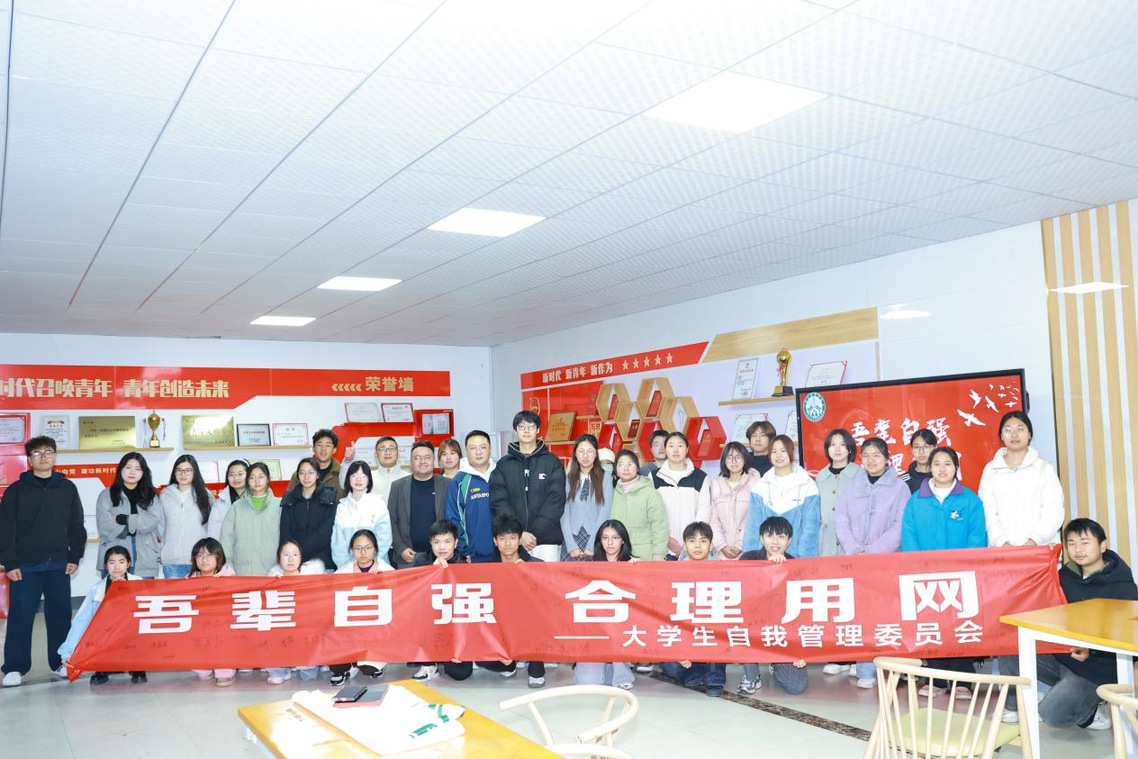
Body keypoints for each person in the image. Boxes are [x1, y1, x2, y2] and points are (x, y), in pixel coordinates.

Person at [1000, 518, 1138, 731]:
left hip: (1097, 669)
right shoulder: (1063, 577)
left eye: (1085, 542)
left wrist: (1092, 650)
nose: (1078, 549)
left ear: (1102, 545)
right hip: (1064, 655)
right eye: (1071, 543)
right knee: (1011, 647)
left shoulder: (1123, 587)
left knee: (1051, 714)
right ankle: (1050, 697)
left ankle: (1090, 710)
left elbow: (1132, 643)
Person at [901, 446, 987, 698]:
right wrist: (920, 568)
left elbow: (977, 537)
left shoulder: (970, 500)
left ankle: (964, 678)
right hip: (927, 575)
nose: (942, 469)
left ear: (956, 468)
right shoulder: (916, 501)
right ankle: (936, 678)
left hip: (962, 575)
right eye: (936, 464)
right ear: (929, 467)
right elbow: (909, 537)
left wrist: (964, 567)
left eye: (947, 464)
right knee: (933, 622)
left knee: (963, 623)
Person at [0, 436, 85, 688]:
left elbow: (76, 525)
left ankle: (60, 662)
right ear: (29, 459)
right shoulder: (16, 491)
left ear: (55, 456)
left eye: (48, 452)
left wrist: (74, 556)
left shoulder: (67, 488)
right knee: (21, 617)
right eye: (37, 453)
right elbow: (5, 529)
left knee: (60, 615)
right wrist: (9, 563)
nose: (43, 457)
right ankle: (14, 668)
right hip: (25, 567)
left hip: (59, 564)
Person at [833, 437, 909, 689]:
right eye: (866, 455)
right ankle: (865, 669)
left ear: (887, 458)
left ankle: (893, 668)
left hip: (886, 562)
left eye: (876, 455)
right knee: (861, 616)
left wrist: (873, 551)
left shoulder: (900, 488)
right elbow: (841, 519)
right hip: (855, 561)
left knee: (889, 617)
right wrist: (855, 550)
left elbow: (900, 525)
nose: (871, 460)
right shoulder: (852, 486)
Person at [737, 516, 809, 696]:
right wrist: (770, 568)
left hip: (782, 630)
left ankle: (775, 665)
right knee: (741, 622)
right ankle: (752, 676)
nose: (775, 542)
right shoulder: (748, 558)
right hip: (754, 623)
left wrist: (799, 650)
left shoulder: (795, 565)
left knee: (796, 686)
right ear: (761, 538)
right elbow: (744, 595)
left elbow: (802, 611)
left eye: (781, 536)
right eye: (770, 536)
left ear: (789, 540)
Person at [59, 546, 145, 685]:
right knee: (95, 630)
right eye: (112, 562)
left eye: (121, 561)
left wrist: (128, 591)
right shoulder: (97, 589)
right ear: (105, 565)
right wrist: (68, 651)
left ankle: (137, 666)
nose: (116, 567)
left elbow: (148, 612)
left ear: (128, 563)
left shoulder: (139, 583)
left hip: (132, 631)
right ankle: (102, 667)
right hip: (106, 634)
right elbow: (81, 620)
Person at [490, 410, 566, 563]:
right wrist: (520, 533)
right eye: (521, 427)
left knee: (545, 578)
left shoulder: (552, 462)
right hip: (514, 542)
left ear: (538, 430)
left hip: (546, 540)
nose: (526, 431)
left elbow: (556, 500)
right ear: (515, 430)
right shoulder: (503, 465)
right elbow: (499, 500)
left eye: (531, 427)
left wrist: (532, 533)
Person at [979, 411, 1064, 547]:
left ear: (1029, 434)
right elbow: (987, 511)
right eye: (1008, 430)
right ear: (1001, 436)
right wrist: (1002, 542)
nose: (1014, 434)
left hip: (1039, 548)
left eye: (1020, 429)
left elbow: (1053, 510)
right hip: (1001, 551)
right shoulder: (991, 470)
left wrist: (1033, 540)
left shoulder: (1044, 468)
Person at [660, 522, 726, 697]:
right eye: (692, 541)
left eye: (703, 541)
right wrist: (680, 649)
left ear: (710, 545)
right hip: (684, 631)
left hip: (713, 628)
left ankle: (714, 679)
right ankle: (695, 673)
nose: (697, 546)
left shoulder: (724, 570)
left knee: (719, 633)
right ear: (684, 545)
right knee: (669, 665)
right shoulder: (673, 571)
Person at [575, 520, 641, 690]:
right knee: (587, 681)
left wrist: (638, 570)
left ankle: (621, 670)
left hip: (623, 626)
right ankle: (609, 666)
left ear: (623, 540)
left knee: (617, 631)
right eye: (605, 538)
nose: (610, 542)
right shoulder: (590, 566)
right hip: (595, 629)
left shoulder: (633, 564)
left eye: (615, 538)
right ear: (600, 540)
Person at [330, 529, 394, 686]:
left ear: (375, 549)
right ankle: (350, 664)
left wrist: (383, 581)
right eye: (358, 548)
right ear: (352, 550)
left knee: (368, 667)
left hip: (376, 630)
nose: (363, 552)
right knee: (337, 662)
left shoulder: (388, 571)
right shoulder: (342, 573)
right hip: (349, 629)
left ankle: (368, 664)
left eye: (368, 547)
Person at [742, 435, 821, 558]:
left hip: (796, 558)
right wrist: (752, 558)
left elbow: (810, 528)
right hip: (766, 559)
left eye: (783, 451)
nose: (778, 455)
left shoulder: (808, 485)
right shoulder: (761, 485)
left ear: (792, 453)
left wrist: (805, 558)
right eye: (774, 451)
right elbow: (752, 526)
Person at [410, 519, 463, 682]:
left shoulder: (464, 564)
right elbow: (414, 595)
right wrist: (433, 572)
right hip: (428, 620)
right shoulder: (420, 561)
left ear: (456, 543)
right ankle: (429, 664)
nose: (442, 547)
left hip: (454, 623)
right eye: (437, 542)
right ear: (430, 543)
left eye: (447, 541)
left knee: (460, 673)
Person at [95, 452, 161, 579]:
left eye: (137, 469)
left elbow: (151, 521)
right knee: (115, 592)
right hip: (115, 558)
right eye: (128, 467)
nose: (132, 472)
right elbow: (104, 524)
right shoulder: (106, 494)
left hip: (145, 557)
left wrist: (123, 518)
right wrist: (131, 530)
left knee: (143, 592)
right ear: (121, 469)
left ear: (143, 472)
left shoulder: (151, 495)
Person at [265, 540, 322, 684]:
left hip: (305, 633)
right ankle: (281, 670)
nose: (290, 559)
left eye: (295, 555)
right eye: (286, 555)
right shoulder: (271, 582)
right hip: (281, 629)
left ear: (301, 558)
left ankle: (306, 665)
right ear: (279, 558)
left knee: (308, 677)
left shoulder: (311, 580)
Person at [390, 442, 450, 568]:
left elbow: (455, 519)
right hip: (408, 556)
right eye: (417, 458)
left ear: (434, 460)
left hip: (441, 556)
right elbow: (391, 520)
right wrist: (400, 548)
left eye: (427, 457)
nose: (422, 461)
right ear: (411, 462)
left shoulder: (448, 484)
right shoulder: (398, 486)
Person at [652, 432, 710, 559]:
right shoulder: (654, 477)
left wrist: (690, 541)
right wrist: (666, 539)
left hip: (693, 548)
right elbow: (652, 513)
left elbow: (703, 512)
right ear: (665, 449)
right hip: (663, 547)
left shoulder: (700, 477)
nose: (675, 450)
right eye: (671, 446)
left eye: (680, 445)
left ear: (687, 449)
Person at [187, 538, 237, 686]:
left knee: (222, 637)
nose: (204, 560)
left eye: (209, 555)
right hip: (199, 625)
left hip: (223, 624)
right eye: (199, 556)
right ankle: (205, 669)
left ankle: (225, 673)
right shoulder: (188, 580)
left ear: (218, 556)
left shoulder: (230, 577)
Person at [220, 462, 281, 577]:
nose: (256, 481)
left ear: (268, 479)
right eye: (252, 477)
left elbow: (287, 539)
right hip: (242, 573)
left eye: (261, 477)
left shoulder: (279, 506)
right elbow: (226, 540)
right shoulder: (237, 507)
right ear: (247, 480)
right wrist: (228, 566)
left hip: (273, 573)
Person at [158, 454, 214, 578]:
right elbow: (160, 527)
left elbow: (212, 526)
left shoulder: (206, 495)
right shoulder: (165, 495)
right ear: (174, 473)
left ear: (195, 472)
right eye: (179, 470)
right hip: (172, 562)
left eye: (188, 470)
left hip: (200, 561)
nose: (183, 474)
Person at [446, 430, 496, 563]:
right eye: (473, 448)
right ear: (466, 451)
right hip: (473, 556)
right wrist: (464, 550)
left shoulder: (501, 475)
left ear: (490, 449)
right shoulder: (459, 481)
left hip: (504, 553)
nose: (478, 452)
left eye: (483, 447)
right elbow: (453, 518)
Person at [610, 450, 669, 562]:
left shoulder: (650, 493)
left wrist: (658, 557)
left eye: (630, 464)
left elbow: (660, 528)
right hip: (618, 556)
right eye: (621, 464)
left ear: (637, 467)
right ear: (616, 469)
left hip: (646, 557)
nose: (625, 468)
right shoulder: (612, 494)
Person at [561, 434, 613, 561]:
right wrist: (571, 545)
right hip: (571, 537)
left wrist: (593, 544)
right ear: (575, 454)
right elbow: (564, 512)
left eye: (589, 451)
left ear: (595, 454)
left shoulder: (605, 477)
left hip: (595, 536)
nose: (585, 456)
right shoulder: (568, 478)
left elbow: (605, 511)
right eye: (581, 451)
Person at [279, 457, 337, 569]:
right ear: (298, 476)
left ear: (318, 475)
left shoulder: (328, 498)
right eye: (302, 473)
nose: (306, 477)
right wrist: (294, 554)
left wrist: (300, 551)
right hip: (294, 562)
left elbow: (326, 533)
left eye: (311, 472)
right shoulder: (289, 499)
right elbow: (285, 532)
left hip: (323, 562)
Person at [331, 461, 392, 568]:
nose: (358, 479)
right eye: (354, 475)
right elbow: (338, 544)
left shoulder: (378, 503)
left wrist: (371, 563)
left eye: (363, 476)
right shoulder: (342, 507)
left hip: (377, 566)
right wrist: (348, 567)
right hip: (348, 568)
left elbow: (384, 539)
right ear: (348, 478)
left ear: (369, 479)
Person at [708, 442, 759, 560]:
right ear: (724, 461)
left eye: (738, 457)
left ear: (745, 459)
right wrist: (721, 545)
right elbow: (713, 519)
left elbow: (754, 518)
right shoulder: (716, 483)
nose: (734, 461)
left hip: (748, 549)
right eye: (729, 457)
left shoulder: (754, 482)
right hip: (721, 552)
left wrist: (740, 545)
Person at [815, 428, 860, 559]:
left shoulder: (860, 475)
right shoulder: (821, 477)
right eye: (833, 444)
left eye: (842, 444)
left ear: (850, 449)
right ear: (827, 449)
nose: (837, 449)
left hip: (853, 541)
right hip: (826, 543)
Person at [340, 436, 407, 504]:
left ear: (398, 453)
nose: (387, 452)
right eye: (382, 449)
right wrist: (348, 461)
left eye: (391, 448)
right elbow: (345, 485)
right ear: (376, 454)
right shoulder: (368, 477)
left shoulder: (408, 478)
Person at [288, 428, 343, 498]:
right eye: (319, 445)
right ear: (313, 448)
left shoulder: (342, 475)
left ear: (334, 450)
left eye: (328, 445)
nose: (323, 449)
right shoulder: (299, 475)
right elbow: (289, 500)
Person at [208, 459, 249, 539]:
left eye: (240, 474)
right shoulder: (220, 504)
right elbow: (214, 532)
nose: (235, 478)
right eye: (231, 475)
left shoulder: (257, 498)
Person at [899, 428, 937, 494]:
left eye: (926, 446)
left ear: (935, 448)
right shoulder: (903, 481)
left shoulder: (942, 476)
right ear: (912, 450)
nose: (921, 451)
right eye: (916, 447)